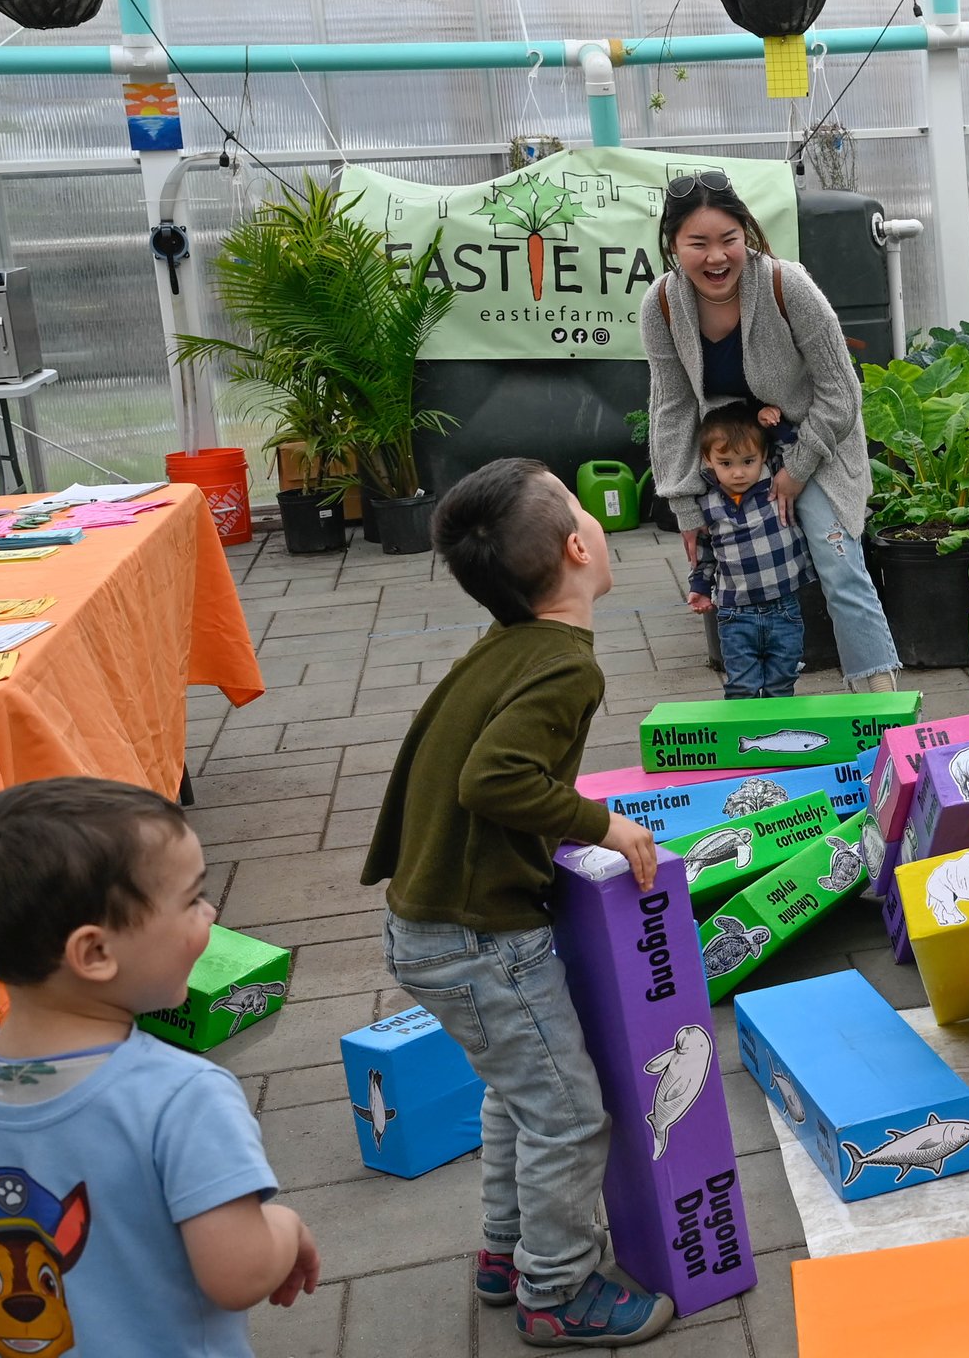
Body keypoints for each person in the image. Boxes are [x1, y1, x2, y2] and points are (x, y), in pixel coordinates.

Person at [359, 457, 672, 1347]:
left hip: (433, 926)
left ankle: (507, 1253)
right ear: (579, 546)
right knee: (570, 1116)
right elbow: (492, 776)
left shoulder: (508, 644)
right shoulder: (566, 666)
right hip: (480, 939)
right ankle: (557, 1291)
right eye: (582, 508)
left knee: (514, 1094)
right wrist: (600, 825)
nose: (595, 520)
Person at [0, 778, 320, 1357]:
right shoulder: (184, 1097)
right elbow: (237, 1274)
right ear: (96, 953)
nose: (210, 912)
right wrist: (285, 1229)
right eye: (191, 900)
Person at [643, 170, 901, 692]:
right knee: (736, 576)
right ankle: (758, 706)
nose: (716, 257)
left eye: (728, 240)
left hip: (815, 443)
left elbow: (841, 390)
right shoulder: (663, 305)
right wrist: (687, 506)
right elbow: (670, 408)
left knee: (839, 565)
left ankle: (885, 706)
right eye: (698, 244)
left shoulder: (788, 285)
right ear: (673, 246)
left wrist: (798, 470)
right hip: (734, 458)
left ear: (748, 234)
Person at [685, 401, 813, 699]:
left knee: (782, 683)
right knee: (741, 686)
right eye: (726, 463)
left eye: (748, 461)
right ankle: (742, 742)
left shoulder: (773, 481)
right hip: (735, 612)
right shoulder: (706, 502)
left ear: (763, 456)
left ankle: (778, 740)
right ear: (708, 460)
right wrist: (701, 587)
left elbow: (796, 450)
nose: (739, 473)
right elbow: (705, 552)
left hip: (784, 607)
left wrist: (775, 426)